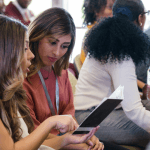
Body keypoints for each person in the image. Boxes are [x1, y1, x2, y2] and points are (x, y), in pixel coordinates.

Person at [0, 14, 101, 150]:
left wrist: (76, 137)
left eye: (64, 46)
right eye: (25, 48)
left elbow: (68, 116)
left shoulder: (62, 73)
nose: (57, 52)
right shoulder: (20, 81)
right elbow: (27, 138)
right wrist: (65, 137)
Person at [74, 0, 150, 148]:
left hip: (104, 108)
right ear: (141, 18)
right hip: (91, 118)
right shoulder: (120, 53)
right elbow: (134, 111)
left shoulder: (110, 43)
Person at [80, 0, 115, 64]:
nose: (114, 12)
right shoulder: (97, 35)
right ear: (96, 10)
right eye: (110, 7)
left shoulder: (93, 30)